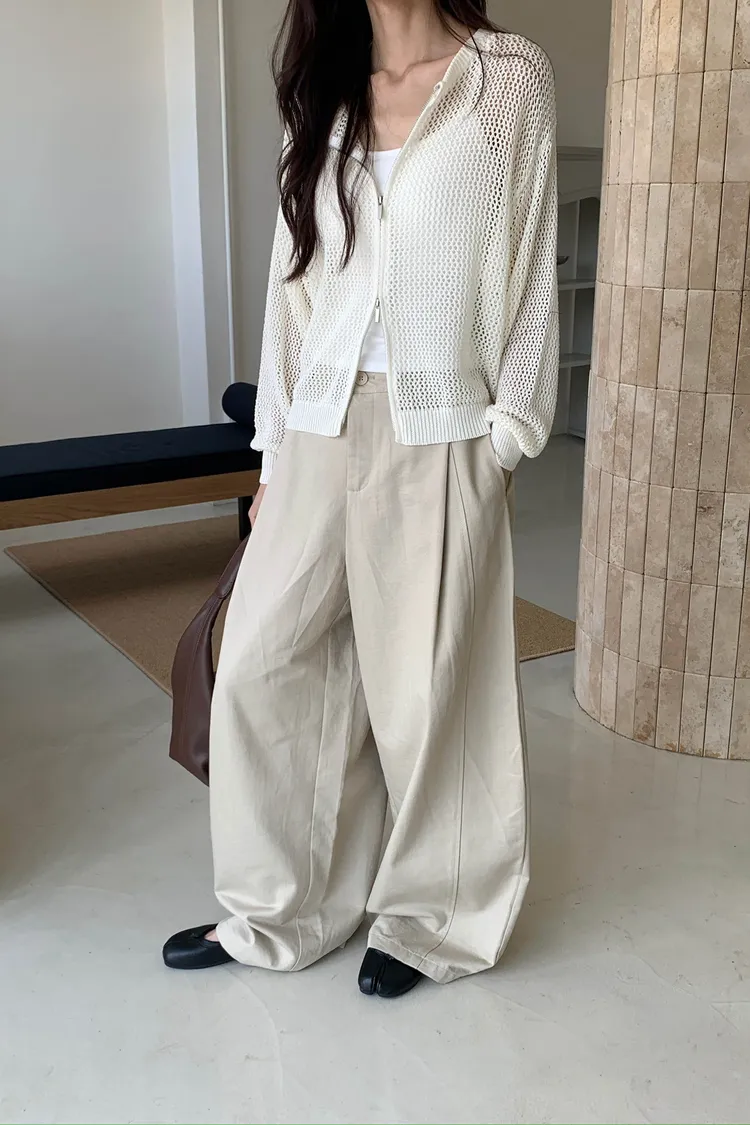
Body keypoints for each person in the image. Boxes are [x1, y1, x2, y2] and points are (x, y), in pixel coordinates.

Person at [163, 0, 559, 998]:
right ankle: (281, 909)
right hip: (317, 421)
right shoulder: (324, 96)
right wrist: (272, 458)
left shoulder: (507, 78)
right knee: (262, 663)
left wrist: (506, 437)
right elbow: (291, 287)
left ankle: (433, 920)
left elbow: (529, 272)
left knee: (428, 693)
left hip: (441, 427)